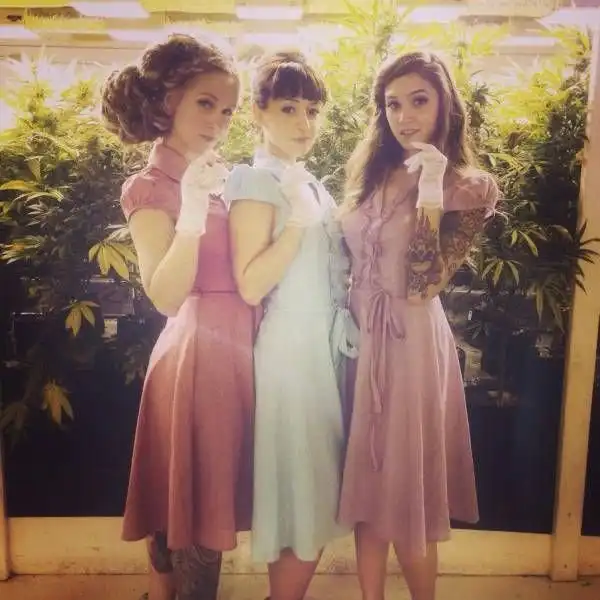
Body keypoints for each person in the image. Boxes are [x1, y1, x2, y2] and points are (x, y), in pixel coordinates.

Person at [338, 51, 499, 600]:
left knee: (407, 492)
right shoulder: (371, 172)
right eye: (392, 104)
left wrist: (431, 191)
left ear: (445, 106)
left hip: (409, 343)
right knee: (365, 488)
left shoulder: (470, 186)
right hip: (358, 339)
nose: (404, 116)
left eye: (419, 101)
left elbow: (423, 283)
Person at [101, 33, 257, 600]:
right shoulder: (150, 187)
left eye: (228, 109)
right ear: (168, 102)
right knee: (193, 510)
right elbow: (165, 295)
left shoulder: (225, 176)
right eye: (205, 103)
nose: (218, 120)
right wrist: (190, 211)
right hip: (200, 358)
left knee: (194, 500)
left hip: (239, 350)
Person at [224, 50, 357, 600]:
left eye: (312, 110)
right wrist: (299, 224)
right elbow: (251, 284)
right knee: (304, 492)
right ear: (257, 112)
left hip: (324, 347)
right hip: (290, 350)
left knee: (315, 492)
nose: (305, 122)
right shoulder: (255, 179)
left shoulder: (309, 181)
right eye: (288, 108)